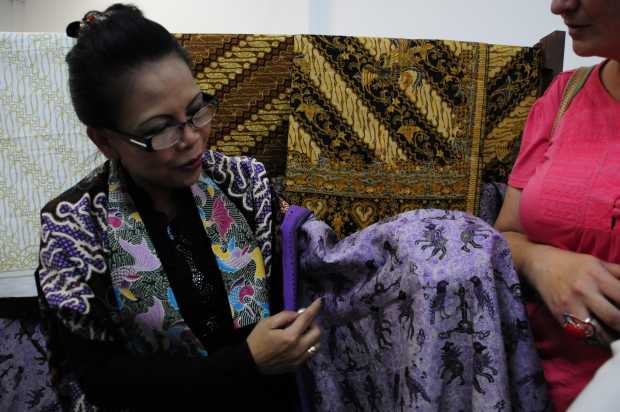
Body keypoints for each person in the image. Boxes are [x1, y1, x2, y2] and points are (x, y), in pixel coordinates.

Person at [36, 4, 549, 411]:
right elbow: (106, 382)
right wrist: (247, 362)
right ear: (105, 141)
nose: (191, 139)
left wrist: (438, 250)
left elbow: (326, 267)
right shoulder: (73, 230)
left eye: (196, 111)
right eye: (160, 130)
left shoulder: (242, 184)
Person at [495, 0, 620, 410]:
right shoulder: (565, 95)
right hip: (525, 386)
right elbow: (506, 234)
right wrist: (542, 263)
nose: (559, 5)